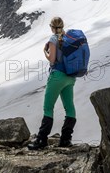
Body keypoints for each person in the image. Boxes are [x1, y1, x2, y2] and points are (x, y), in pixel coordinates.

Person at [28, 16, 77, 150]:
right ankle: (66, 139)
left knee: (48, 107)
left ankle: (41, 140)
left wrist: (45, 51)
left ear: (52, 27)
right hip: (70, 78)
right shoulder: (68, 38)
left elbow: (52, 59)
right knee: (69, 107)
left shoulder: (53, 39)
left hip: (57, 76)